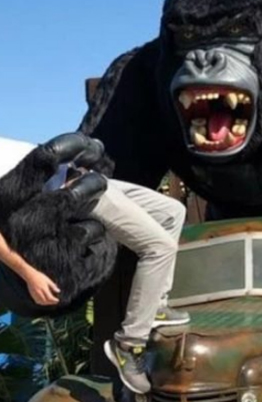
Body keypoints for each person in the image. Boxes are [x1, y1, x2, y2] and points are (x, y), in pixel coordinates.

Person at [0, 133, 190, 395]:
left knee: (172, 212)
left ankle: (156, 306)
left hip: (88, 181)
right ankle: (129, 344)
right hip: (77, 199)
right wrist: (30, 275)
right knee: (159, 247)